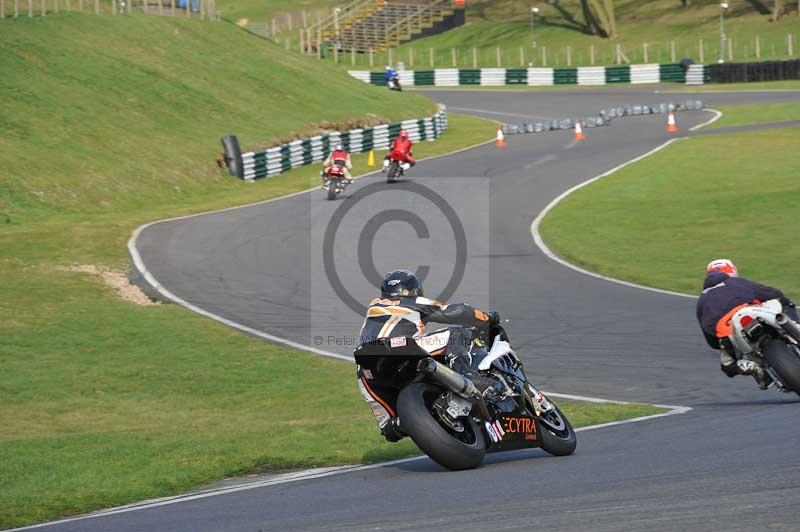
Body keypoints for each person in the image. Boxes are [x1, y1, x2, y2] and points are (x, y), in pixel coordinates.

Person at [357, 269, 498, 442]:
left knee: (389, 428)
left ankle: (401, 423)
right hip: (400, 347)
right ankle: (469, 375)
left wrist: (396, 424)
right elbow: (459, 311)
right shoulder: (411, 301)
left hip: (365, 365)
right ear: (413, 290)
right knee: (457, 334)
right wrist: (486, 319)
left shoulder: (374, 306)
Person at [696, 258, 797, 388]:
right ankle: (795, 325)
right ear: (732, 271)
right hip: (750, 312)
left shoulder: (701, 300)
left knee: (728, 366)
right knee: (783, 301)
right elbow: (772, 293)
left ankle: (753, 368)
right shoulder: (734, 282)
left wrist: (723, 343)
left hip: (727, 330)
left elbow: (711, 342)